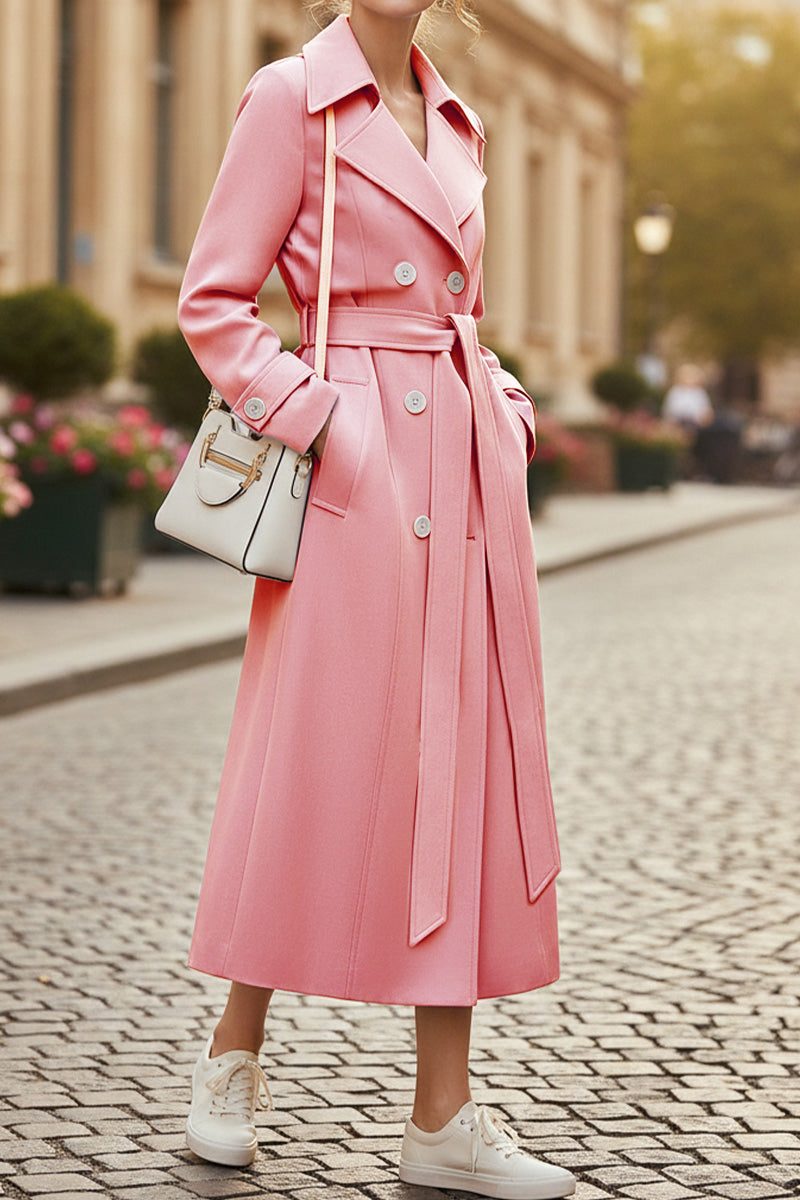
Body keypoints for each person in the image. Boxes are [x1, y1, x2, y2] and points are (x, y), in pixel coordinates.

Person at [178, 3, 572, 1197]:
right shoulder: (289, 95)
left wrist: (499, 408)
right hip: (352, 477)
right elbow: (214, 302)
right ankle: (229, 1060)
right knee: (311, 757)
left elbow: (461, 313)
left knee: (458, 771)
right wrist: (322, 422)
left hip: (457, 473)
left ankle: (440, 1117)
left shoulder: (458, 117)